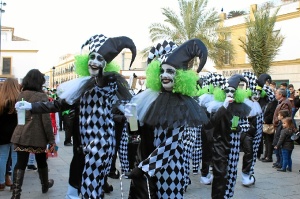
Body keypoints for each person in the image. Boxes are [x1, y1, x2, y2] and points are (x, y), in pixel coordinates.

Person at [15, 34, 136, 199]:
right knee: (89, 182)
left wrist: (134, 128)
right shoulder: (81, 85)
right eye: (91, 57)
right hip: (85, 142)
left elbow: (129, 107)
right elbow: (58, 105)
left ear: (105, 64)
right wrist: (30, 106)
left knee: (92, 183)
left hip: (101, 142)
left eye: (99, 58)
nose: (93, 61)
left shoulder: (110, 83)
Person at [125, 39, 209, 199]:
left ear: (181, 76)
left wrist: (143, 168)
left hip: (168, 170)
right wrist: (131, 121)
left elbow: (171, 144)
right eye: (162, 71)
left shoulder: (182, 104)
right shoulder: (148, 98)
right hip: (145, 167)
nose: (164, 75)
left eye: (170, 71)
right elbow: (135, 132)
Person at [10, 69, 55, 198]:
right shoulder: (42, 96)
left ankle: (16, 193)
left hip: (21, 134)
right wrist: (51, 140)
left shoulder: (21, 94)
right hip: (37, 135)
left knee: (21, 163)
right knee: (41, 160)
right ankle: (45, 185)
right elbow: (46, 120)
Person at [205, 74, 251, 198]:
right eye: (227, 91)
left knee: (231, 172)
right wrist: (224, 106)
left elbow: (246, 126)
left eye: (232, 91)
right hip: (220, 143)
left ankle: (228, 196)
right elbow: (211, 123)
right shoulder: (216, 106)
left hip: (234, 144)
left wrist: (238, 127)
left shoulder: (241, 107)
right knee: (220, 173)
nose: (230, 93)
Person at [0, 78, 19, 191]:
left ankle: (1, 182)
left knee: (2, 156)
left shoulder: (1, 101)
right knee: (15, 157)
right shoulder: (18, 101)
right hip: (16, 132)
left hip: (2, 133)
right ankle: (15, 182)